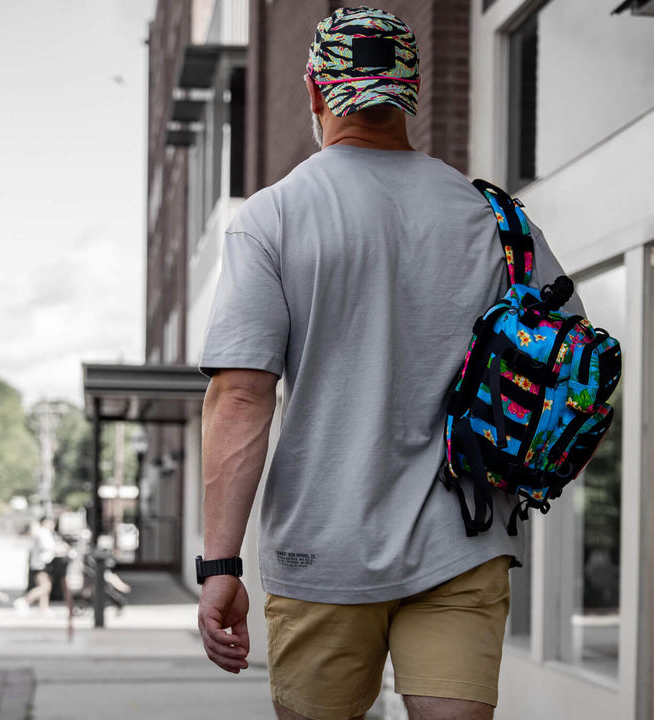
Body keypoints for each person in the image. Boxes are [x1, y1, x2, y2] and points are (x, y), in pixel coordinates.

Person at [196, 7, 584, 720]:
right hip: (465, 538)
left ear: (315, 90)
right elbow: (570, 358)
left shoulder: (274, 215)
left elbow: (241, 398)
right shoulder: (500, 220)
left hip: (322, 547)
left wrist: (221, 564)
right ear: (410, 92)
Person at [14, 516, 61, 614]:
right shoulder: (42, 533)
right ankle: (25, 601)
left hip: (43, 563)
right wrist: (60, 549)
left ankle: (44, 607)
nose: (53, 524)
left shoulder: (45, 532)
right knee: (45, 586)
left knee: (46, 586)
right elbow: (47, 547)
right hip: (40, 564)